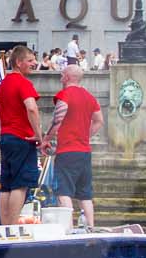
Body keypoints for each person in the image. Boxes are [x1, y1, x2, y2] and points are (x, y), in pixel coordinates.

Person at [43, 64, 104, 229]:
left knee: (64, 192)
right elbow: (99, 121)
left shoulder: (65, 95)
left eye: (62, 74)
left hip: (67, 152)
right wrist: (85, 135)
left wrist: (46, 139)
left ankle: (68, 228)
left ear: (67, 77)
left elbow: (58, 119)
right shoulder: (90, 97)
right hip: (84, 152)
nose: (61, 77)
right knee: (85, 194)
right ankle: (91, 227)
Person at [0, 45, 43, 225]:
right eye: (30, 60)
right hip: (22, 138)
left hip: (6, 136)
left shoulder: (3, 84)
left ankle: (4, 225)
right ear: (18, 62)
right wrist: (39, 135)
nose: (34, 63)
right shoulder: (23, 83)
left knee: (5, 185)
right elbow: (31, 107)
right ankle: (13, 225)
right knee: (20, 184)